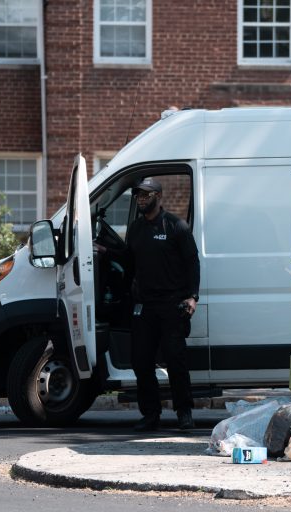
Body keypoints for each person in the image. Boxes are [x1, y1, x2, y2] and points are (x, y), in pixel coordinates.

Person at [126, 177, 200, 431]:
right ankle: (150, 414)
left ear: (159, 197)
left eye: (146, 195)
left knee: (175, 359)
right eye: (139, 195)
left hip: (172, 304)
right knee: (141, 361)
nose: (141, 199)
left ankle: (184, 412)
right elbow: (128, 262)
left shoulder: (176, 226)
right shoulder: (135, 229)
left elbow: (192, 262)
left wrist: (193, 296)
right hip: (145, 306)